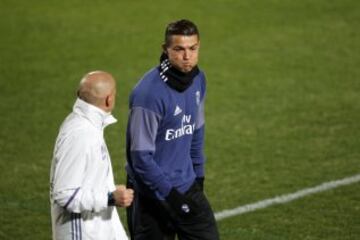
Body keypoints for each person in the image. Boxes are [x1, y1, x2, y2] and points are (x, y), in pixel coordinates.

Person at [125, 19, 220, 240]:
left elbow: (196, 131)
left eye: (193, 48)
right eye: (179, 49)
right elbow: (140, 157)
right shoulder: (148, 95)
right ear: (165, 50)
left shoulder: (198, 80)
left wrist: (199, 176)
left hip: (187, 186)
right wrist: (170, 196)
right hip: (151, 196)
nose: (187, 56)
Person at [50, 71, 134, 240]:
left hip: (97, 229)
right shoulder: (81, 134)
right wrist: (110, 197)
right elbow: (65, 194)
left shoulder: (86, 125)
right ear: (109, 100)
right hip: (82, 234)